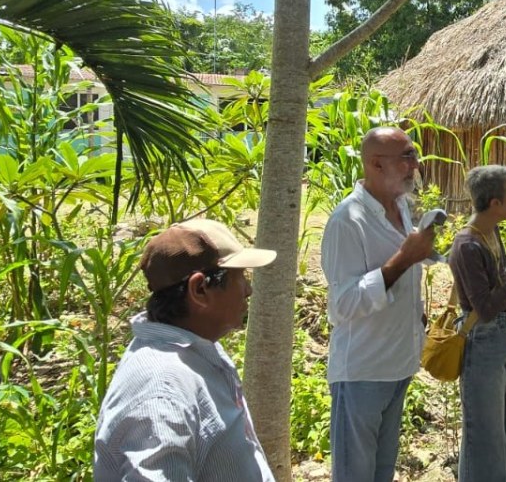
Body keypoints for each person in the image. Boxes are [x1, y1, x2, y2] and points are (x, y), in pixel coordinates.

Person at [93, 218, 278, 481]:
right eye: (240, 277)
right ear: (200, 289)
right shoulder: (161, 391)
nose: (248, 290)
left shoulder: (195, 350)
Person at [321, 127, 438, 482]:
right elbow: (342, 304)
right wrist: (404, 259)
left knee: (381, 471)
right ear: (375, 164)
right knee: (356, 475)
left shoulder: (401, 206)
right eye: (406, 157)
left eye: (414, 156)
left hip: (399, 364)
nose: (415, 165)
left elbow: (399, 276)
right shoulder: (347, 221)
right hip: (362, 372)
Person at [447, 165, 506, 481]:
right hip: (484, 341)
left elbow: (499, 279)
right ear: (495, 204)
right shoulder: (466, 246)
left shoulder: (490, 232)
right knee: (485, 435)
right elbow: (485, 307)